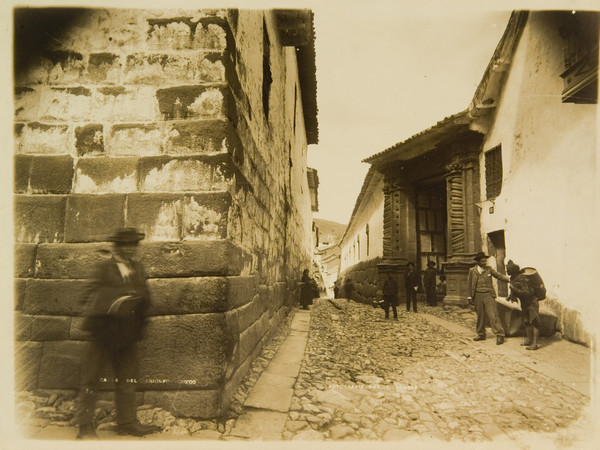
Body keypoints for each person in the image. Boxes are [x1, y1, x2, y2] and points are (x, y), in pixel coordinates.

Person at [74, 228, 159, 439]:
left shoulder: (138, 268)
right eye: (126, 245)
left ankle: (127, 423)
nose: (131, 249)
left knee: (128, 380)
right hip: (102, 333)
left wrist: (139, 303)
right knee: (90, 380)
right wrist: (107, 305)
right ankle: (84, 427)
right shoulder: (103, 268)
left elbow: (146, 295)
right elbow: (85, 296)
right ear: (117, 247)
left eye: (134, 245)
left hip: (128, 334)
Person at [467, 251, 510, 345]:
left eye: (485, 261)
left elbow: (499, 276)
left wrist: (509, 279)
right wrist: (470, 297)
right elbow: (469, 284)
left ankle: (500, 335)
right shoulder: (472, 271)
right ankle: (481, 334)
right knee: (480, 316)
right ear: (477, 262)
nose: (484, 263)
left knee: (493, 315)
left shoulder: (489, 269)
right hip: (477, 295)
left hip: (488, 295)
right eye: (482, 261)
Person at [506, 260, 540, 350]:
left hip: (532, 303)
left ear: (512, 270)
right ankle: (529, 340)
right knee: (526, 321)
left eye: (507, 269)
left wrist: (514, 289)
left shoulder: (523, 279)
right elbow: (513, 289)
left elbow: (528, 292)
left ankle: (535, 344)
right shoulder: (513, 278)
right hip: (524, 303)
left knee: (535, 322)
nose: (506, 271)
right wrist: (510, 296)